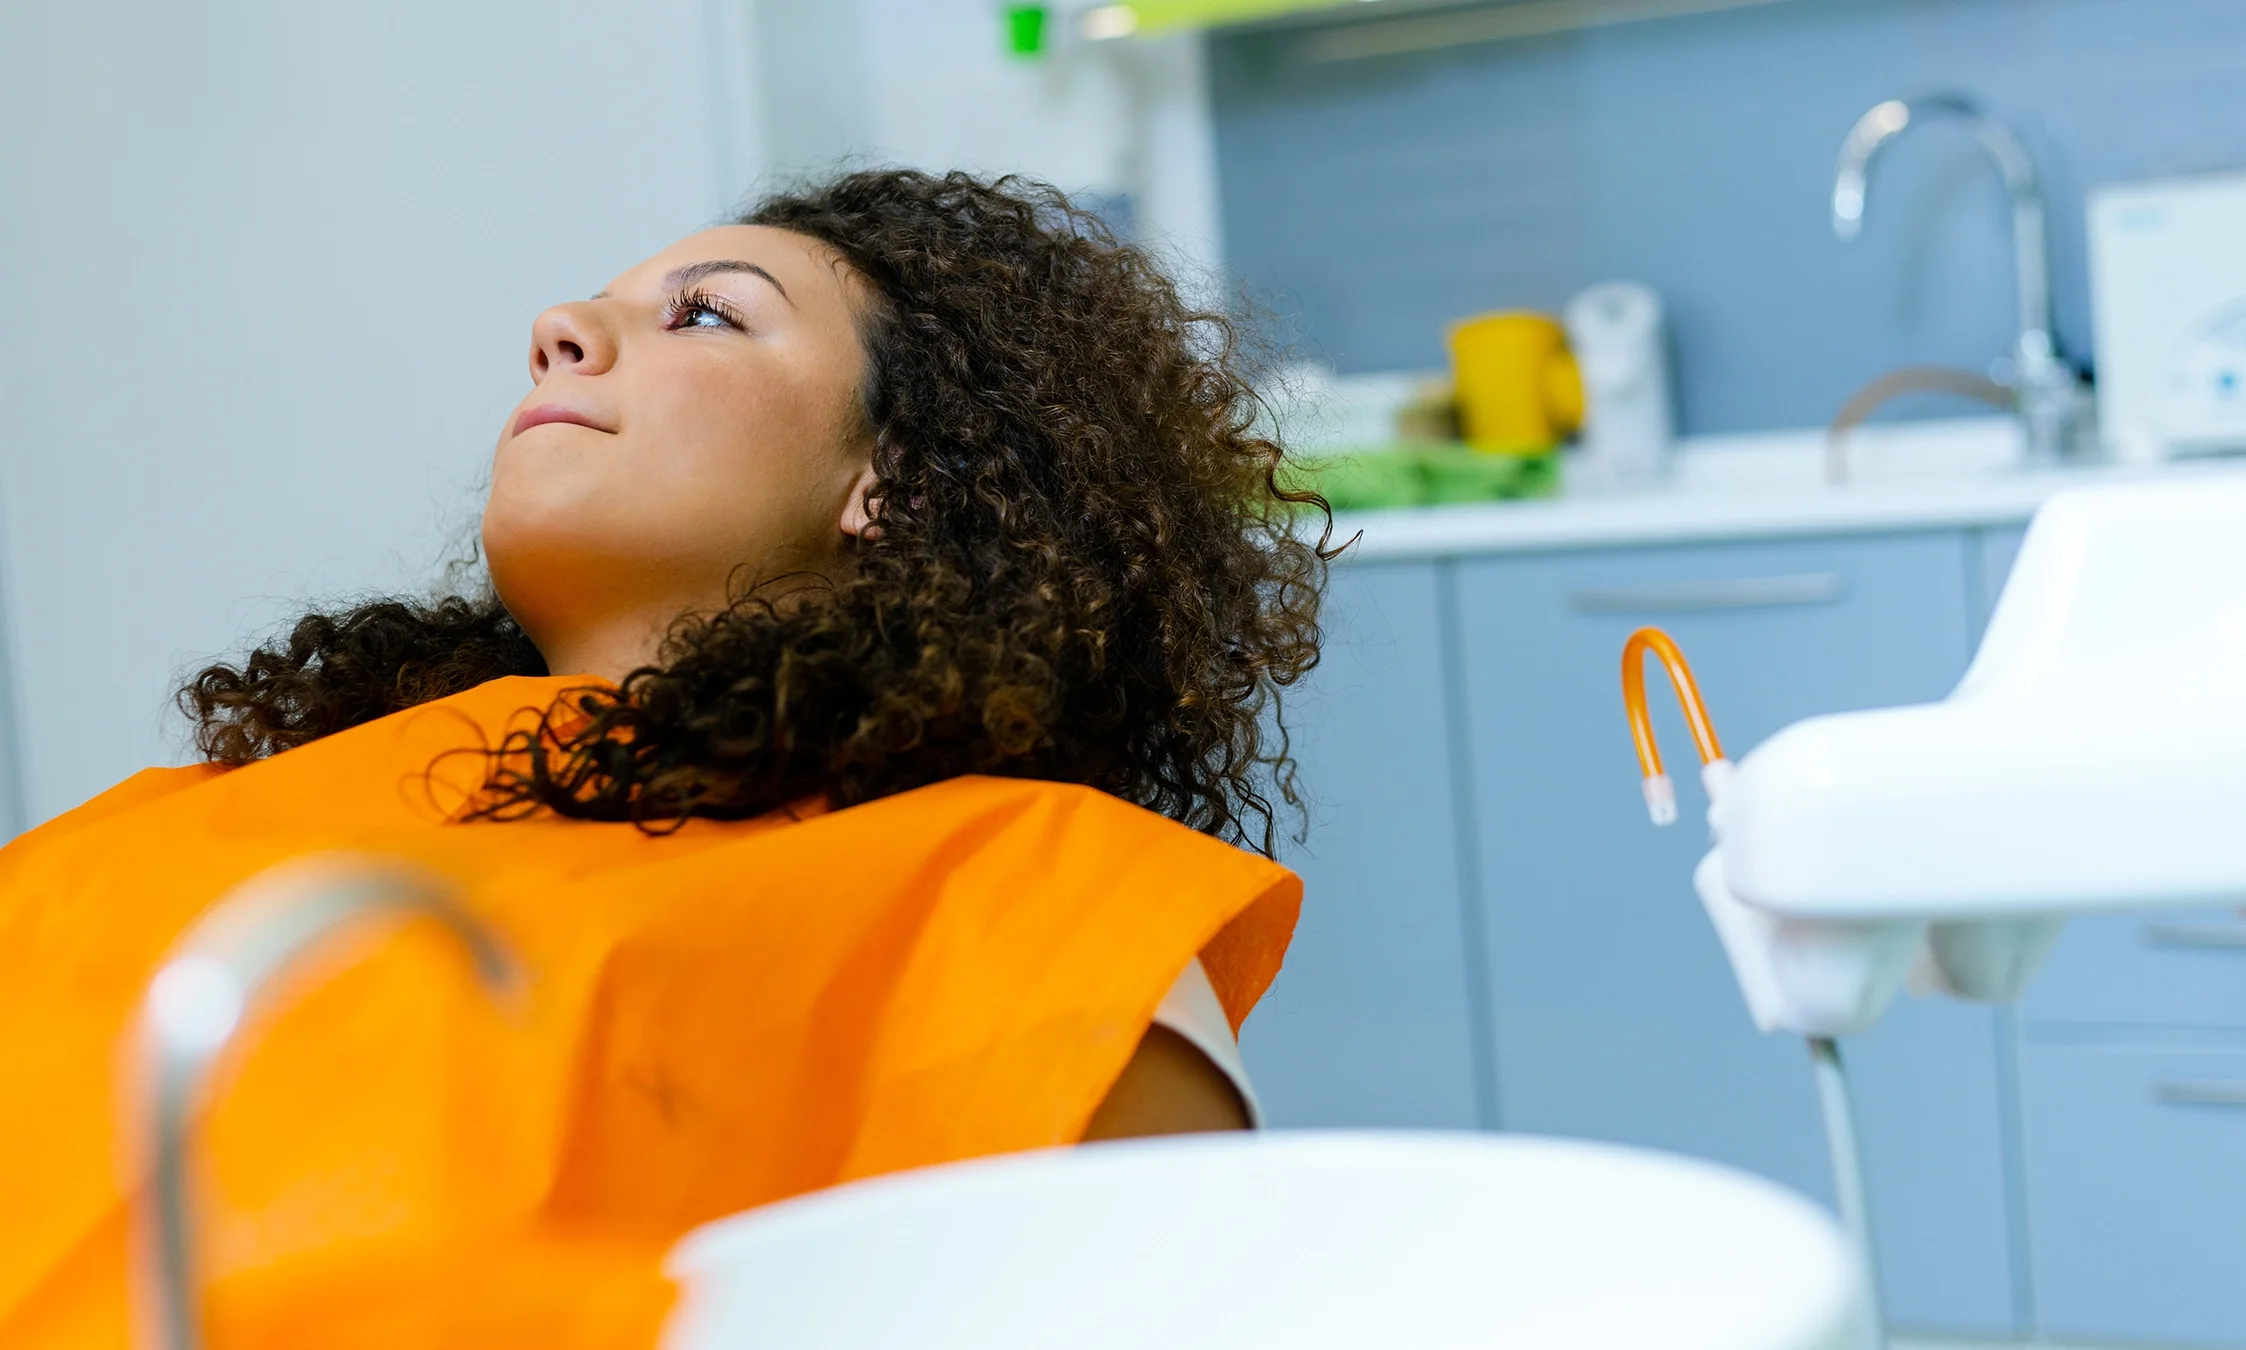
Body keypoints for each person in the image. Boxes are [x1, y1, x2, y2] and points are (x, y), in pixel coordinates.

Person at [0, 170, 1335, 1347]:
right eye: (588, 314)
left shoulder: (1019, 889)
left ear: (903, 483)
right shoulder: (192, 812)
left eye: (705, 314)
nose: (559, 332)